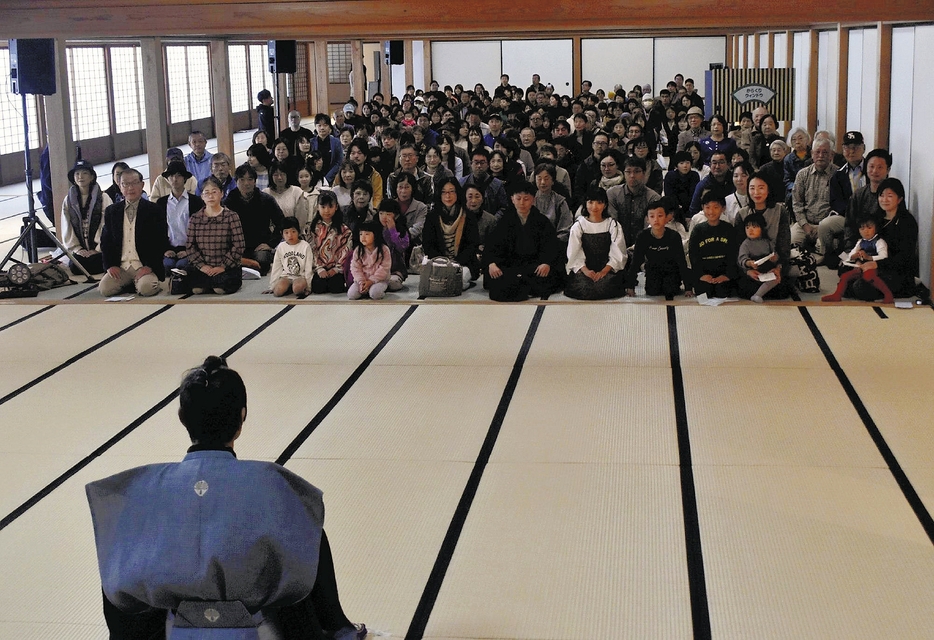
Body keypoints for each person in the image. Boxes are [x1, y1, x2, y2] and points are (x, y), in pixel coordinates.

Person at [86, 355, 367, 640]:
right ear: (241, 416)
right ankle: (339, 628)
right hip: (265, 631)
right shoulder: (277, 485)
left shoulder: (138, 491)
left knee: (119, 542)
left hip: (172, 631)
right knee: (304, 529)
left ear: (183, 417)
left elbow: (121, 594)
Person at [482, 181, 561, 301]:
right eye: (518, 199)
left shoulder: (542, 221)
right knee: (496, 277)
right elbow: (492, 246)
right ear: (512, 199)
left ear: (533, 200)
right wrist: (491, 263)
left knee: (549, 276)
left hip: (534, 266)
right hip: (510, 265)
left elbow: (551, 246)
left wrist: (546, 263)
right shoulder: (504, 221)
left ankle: (520, 288)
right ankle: (525, 288)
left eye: (526, 199)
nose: (522, 203)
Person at [99, 169, 168, 297]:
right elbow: (106, 242)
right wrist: (110, 266)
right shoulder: (112, 211)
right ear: (120, 187)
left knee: (146, 289)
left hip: (144, 266)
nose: (130, 187)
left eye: (135, 183)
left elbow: (161, 241)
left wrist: (149, 267)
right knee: (105, 289)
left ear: (142, 185)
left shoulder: (154, 210)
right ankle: (130, 283)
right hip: (122, 267)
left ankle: (140, 282)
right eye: (125, 184)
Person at [846, 178, 918, 301]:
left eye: (890, 196)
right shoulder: (876, 218)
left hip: (895, 271)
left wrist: (876, 264)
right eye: (881, 195)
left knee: (860, 287)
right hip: (871, 265)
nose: (884, 200)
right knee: (845, 276)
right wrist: (859, 259)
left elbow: (904, 257)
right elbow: (865, 243)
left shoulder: (907, 222)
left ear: (899, 199)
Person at [564, 186, 627, 300]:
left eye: (599, 202)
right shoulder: (579, 225)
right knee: (585, 288)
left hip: (607, 269)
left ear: (605, 205)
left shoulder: (612, 224)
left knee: (604, 286)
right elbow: (574, 252)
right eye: (590, 202)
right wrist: (586, 271)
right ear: (585, 204)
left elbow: (618, 252)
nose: (594, 206)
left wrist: (604, 271)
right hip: (584, 269)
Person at [186, 176, 245, 295]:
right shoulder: (195, 218)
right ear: (202, 196)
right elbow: (190, 246)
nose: (210, 196)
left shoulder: (231, 216)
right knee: (196, 290)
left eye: (214, 192)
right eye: (206, 193)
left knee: (220, 289)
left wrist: (223, 266)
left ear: (221, 194)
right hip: (203, 268)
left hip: (227, 267)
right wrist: (202, 266)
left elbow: (239, 245)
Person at [625, 197, 692, 300]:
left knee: (670, 290)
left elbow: (681, 262)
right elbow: (636, 261)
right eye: (652, 216)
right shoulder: (643, 236)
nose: (656, 220)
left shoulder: (674, 236)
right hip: (653, 270)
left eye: (660, 216)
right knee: (652, 291)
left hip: (671, 271)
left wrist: (688, 288)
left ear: (667, 218)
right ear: (647, 219)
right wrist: (630, 286)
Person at [224, 164, 285, 275]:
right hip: (236, 247)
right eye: (242, 180)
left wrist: (270, 244)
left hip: (259, 246)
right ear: (236, 181)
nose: (246, 183)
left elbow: (281, 222)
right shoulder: (228, 202)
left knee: (262, 261)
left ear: (255, 181)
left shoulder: (266, 199)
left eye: (250, 179)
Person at [422, 177, 481, 283]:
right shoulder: (432, 217)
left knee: (457, 281)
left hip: (464, 264)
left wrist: (455, 263)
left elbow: (472, 245)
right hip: (439, 263)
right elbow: (428, 244)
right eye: (444, 192)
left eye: (451, 192)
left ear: (458, 193)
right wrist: (444, 263)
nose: (447, 196)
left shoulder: (468, 216)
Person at [821, 217, 893, 303]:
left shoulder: (879, 242)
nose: (866, 231)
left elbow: (884, 256)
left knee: (868, 276)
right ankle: (837, 295)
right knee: (845, 276)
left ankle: (888, 295)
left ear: (876, 228)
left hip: (873, 267)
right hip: (860, 267)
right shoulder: (860, 242)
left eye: (869, 228)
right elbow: (851, 254)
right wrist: (854, 256)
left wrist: (869, 257)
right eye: (862, 228)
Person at [791, 138, 840, 263]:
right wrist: (805, 225)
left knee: (828, 250)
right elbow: (797, 204)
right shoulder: (802, 174)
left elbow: (840, 207)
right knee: (790, 245)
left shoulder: (838, 174)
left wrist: (821, 228)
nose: (820, 156)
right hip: (805, 223)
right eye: (817, 152)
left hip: (825, 225)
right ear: (812, 154)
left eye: (825, 152)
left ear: (831, 155)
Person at [60, 159, 112, 275]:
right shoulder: (68, 200)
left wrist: (97, 249)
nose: (80, 177)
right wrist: (77, 249)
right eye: (77, 174)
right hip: (81, 250)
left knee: (101, 263)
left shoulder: (103, 197)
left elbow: (107, 224)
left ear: (92, 177)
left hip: (99, 249)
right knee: (76, 266)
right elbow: (66, 226)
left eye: (84, 173)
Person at [156, 161, 204, 274]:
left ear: (184, 178)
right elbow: (158, 229)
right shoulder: (161, 203)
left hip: (190, 248)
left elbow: (201, 230)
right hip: (170, 248)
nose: (175, 179)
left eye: (178, 175)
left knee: (182, 266)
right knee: (167, 266)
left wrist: (190, 251)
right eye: (171, 176)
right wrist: (165, 249)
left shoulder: (196, 201)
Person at [607, 156, 662, 251]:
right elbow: (612, 223)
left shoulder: (653, 197)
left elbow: (650, 227)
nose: (632, 175)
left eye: (637, 171)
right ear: (623, 173)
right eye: (628, 172)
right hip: (616, 245)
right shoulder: (613, 194)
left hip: (645, 246)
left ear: (644, 174)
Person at [688, 191, 736, 298]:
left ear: (723, 208)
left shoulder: (728, 229)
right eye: (708, 207)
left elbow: (733, 254)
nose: (711, 211)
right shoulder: (698, 230)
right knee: (704, 293)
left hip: (723, 273)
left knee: (723, 292)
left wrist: (726, 275)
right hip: (704, 273)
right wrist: (701, 275)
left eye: (716, 207)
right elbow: (693, 255)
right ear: (702, 208)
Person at [306, 191, 352, 295]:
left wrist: (336, 269)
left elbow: (346, 249)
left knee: (336, 288)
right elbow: (310, 249)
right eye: (323, 207)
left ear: (336, 207)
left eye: (330, 207)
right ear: (317, 207)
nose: (327, 211)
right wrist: (319, 268)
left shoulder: (344, 230)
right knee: (318, 288)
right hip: (318, 268)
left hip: (336, 268)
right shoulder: (311, 229)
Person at [736, 213, 782, 303]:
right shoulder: (746, 244)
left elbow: (776, 256)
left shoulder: (767, 242)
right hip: (753, 272)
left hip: (767, 270)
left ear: (762, 228)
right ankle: (758, 294)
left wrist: (774, 259)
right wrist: (749, 263)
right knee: (745, 286)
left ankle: (758, 294)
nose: (750, 230)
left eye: (754, 227)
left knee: (777, 281)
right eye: (747, 227)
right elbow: (742, 259)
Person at [269, 216, 313, 298]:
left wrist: (309, 287)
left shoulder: (305, 246)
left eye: (293, 231)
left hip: (300, 276)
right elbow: (276, 267)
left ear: (298, 232)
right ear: (282, 234)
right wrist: (272, 286)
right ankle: (288, 287)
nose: (290, 235)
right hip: (287, 276)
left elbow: (308, 268)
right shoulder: (281, 247)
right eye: (286, 233)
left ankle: (294, 287)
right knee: (278, 292)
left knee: (298, 289)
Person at [348, 220, 392, 300]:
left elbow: (384, 268)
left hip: (379, 279)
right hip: (362, 279)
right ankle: (365, 288)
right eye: (361, 234)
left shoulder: (384, 249)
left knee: (375, 294)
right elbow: (355, 268)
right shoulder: (358, 250)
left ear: (375, 235)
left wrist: (371, 281)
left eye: (367, 234)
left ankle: (377, 288)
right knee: (352, 295)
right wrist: (361, 282)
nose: (363, 237)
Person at [376, 199, 409, 291]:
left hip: (395, 269)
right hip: (377, 268)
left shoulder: (402, 230)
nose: (384, 217)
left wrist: (393, 231)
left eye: (388, 214)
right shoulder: (375, 228)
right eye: (381, 213)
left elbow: (402, 248)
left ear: (396, 215)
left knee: (393, 284)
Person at [664, 151, 700, 223]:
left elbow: (695, 196)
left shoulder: (695, 176)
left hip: (691, 210)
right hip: (674, 210)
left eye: (687, 162)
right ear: (676, 165)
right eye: (681, 163)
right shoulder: (670, 176)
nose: (685, 166)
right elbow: (669, 195)